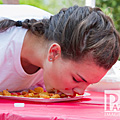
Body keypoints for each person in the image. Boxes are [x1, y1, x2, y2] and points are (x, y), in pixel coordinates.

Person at [0, 5, 120, 97]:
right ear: (54, 52)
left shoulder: (60, 33)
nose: (80, 92)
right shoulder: (5, 44)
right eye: (76, 79)